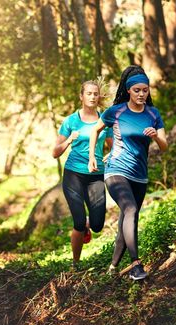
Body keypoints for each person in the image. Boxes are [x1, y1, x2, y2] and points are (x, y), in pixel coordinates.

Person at [88, 66, 168, 280]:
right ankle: (136, 265)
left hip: (139, 175)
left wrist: (156, 137)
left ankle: (112, 268)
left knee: (128, 219)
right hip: (116, 170)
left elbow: (165, 145)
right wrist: (93, 156)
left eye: (145, 90)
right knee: (130, 209)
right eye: (137, 90)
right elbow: (95, 130)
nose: (142, 94)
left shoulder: (153, 114)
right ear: (129, 91)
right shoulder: (117, 111)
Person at [53, 80, 112, 270]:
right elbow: (55, 152)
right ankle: (76, 263)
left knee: (97, 225)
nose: (93, 97)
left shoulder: (104, 120)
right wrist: (69, 139)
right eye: (89, 93)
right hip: (73, 175)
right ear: (81, 96)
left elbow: (113, 147)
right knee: (78, 223)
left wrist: (109, 157)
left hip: (95, 175)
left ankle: (88, 223)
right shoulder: (71, 121)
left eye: (95, 94)